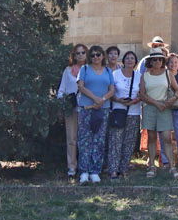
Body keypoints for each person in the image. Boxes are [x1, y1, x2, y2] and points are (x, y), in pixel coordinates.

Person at [138, 48, 178, 179]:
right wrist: (156, 103)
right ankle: (152, 165)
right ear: (150, 61)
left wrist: (171, 100)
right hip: (150, 108)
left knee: (167, 138)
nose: (157, 61)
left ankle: (172, 166)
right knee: (151, 138)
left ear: (163, 61)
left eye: (160, 59)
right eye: (154, 59)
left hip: (165, 107)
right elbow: (142, 94)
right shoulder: (145, 75)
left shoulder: (168, 74)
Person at [75, 45, 115, 184]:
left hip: (102, 109)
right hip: (86, 107)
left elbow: (112, 89)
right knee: (85, 139)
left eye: (98, 55)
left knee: (99, 139)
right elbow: (81, 86)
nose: (95, 57)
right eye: (92, 55)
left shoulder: (108, 71)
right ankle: (84, 171)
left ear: (103, 56)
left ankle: (95, 170)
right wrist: (95, 98)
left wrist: (102, 100)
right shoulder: (84, 69)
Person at [107, 51, 142, 179]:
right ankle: (113, 169)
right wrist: (118, 100)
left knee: (129, 141)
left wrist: (134, 101)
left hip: (134, 111)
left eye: (132, 58)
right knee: (115, 140)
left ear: (136, 62)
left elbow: (142, 93)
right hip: (118, 111)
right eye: (127, 58)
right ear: (123, 61)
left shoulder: (139, 75)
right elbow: (110, 91)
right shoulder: (115, 74)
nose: (129, 60)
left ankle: (124, 167)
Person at [57, 43, 88, 179]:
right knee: (71, 138)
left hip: (87, 108)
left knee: (86, 139)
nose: (80, 55)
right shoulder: (67, 70)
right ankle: (71, 167)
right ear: (74, 55)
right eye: (77, 53)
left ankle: (85, 167)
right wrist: (62, 103)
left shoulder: (90, 70)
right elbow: (61, 90)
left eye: (83, 52)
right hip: (71, 109)